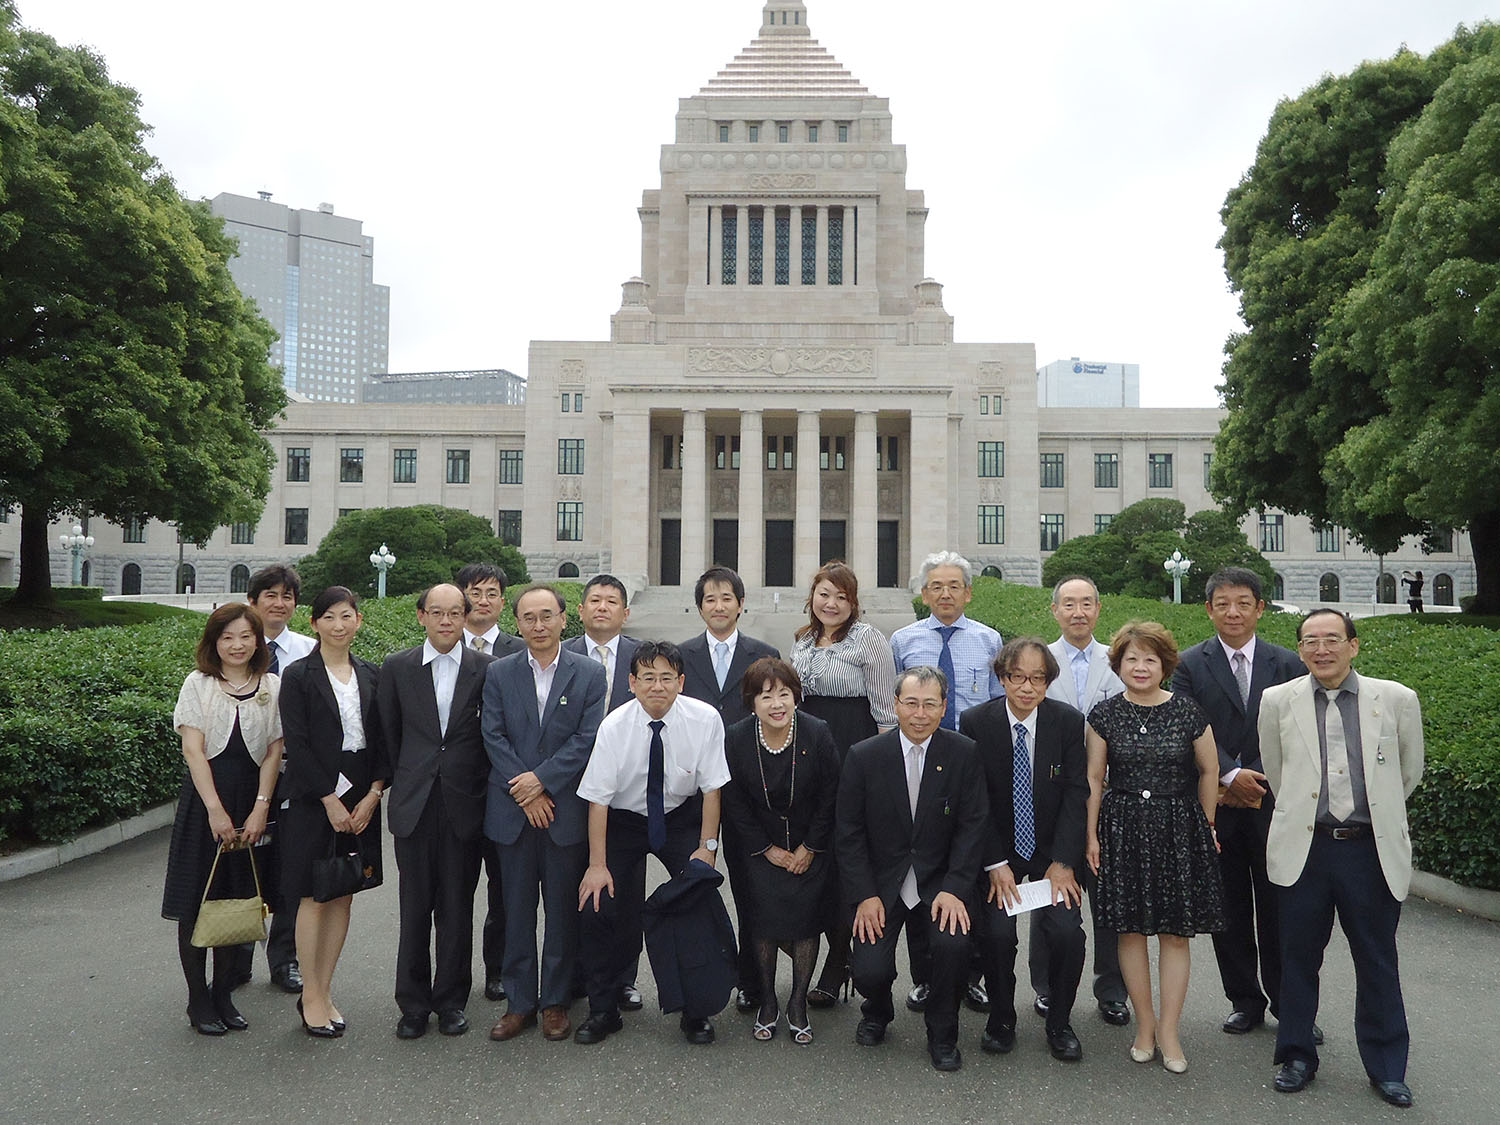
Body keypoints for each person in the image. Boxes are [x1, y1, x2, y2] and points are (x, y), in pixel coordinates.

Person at [1261, 610, 1424, 1108]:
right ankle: (1296, 1055)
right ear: (1300, 649)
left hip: (1368, 851)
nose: (1321, 649)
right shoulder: (1277, 700)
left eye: (1332, 639)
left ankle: (1386, 1066)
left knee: (1376, 959)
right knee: (1297, 958)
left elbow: (1407, 773)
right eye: (1310, 641)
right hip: (1305, 849)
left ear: (1353, 646)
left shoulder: (1395, 699)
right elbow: (1276, 770)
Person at [1086, 621, 1226, 1074]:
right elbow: (1093, 779)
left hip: (1177, 827)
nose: (1140, 667)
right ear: (1119, 665)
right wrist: (1091, 836)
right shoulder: (1104, 714)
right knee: (1129, 931)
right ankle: (1144, 1026)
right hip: (1122, 828)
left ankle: (1170, 1030)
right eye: (1131, 659)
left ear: (1164, 665)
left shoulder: (1188, 712)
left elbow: (1209, 770)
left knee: (1173, 933)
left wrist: (1205, 822)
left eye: (1150, 659)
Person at [574, 641, 730, 1046]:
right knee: (598, 904)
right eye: (647, 678)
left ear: (680, 682)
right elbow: (598, 801)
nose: (656, 687)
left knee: (697, 897)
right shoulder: (615, 726)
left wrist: (707, 849)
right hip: (623, 821)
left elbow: (713, 789)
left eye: (666, 678)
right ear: (631, 683)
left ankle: (695, 1011)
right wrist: (596, 865)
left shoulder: (705, 719)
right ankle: (602, 1009)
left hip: (679, 818)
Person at [1172, 567, 1304, 1038]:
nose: (1233, 612)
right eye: (1223, 603)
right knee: (1227, 910)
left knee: (1280, 910)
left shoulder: (1289, 663)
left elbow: (1301, 730)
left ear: (1260, 608)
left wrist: (1260, 779)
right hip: (1218, 806)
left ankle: (1292, 1005)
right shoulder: (1188, 664)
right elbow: (1189, 723)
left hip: (1275, 805)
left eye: (1243, 602)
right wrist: (1229, 773)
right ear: (1208, 609)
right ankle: (1245, 1000)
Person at [837, 666, 988, 1072]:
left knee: (953, 947)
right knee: (869, 969)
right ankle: (877, 1009)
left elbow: (973, 827)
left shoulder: (963, 753)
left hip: (940, 883)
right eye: (911, 703)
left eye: (930, 704)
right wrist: (865, 895)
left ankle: (942, 1033)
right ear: (896, 705)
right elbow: (848, 833)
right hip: (881, 885)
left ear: (943, 708)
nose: (919, 714)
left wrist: (956, 888)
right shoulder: (864, 756)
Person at [481, 585, 607, 1043]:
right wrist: (526, 789)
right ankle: (519, 1003)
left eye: (546, 616)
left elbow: (587, 737)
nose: (538, 625)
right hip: (514, 812)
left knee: (560, 912)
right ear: (517, 623)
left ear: (562, 619)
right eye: (529, 617)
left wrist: (544, 782)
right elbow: (492, 735)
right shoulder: (498, 672)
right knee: (514, 911)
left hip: (564, 810)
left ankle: (555, 1001)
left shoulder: (590, 674)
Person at [377, 584, 496, 1040]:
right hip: (414, 804)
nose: (446, 621)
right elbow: (389, 733)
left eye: (455, 613)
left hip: (464, 805)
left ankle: (450, 1001)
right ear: (422, 616)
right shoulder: (398, 667)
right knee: (414, 908)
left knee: (456, 908)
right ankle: (412, 1003)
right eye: (437, 612)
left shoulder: (487, 669)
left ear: (466, 617)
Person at [963, 638, 1089, 1062]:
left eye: (1038, 678)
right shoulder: (976, 722)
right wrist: (995, 863)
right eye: (1017, 677)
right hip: (1002, 853)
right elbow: (975, 800)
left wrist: (1064, 862)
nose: (1027, 687)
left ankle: (1060, 1021)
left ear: (1048, 681)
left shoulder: (1067, 722)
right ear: (1002, 678)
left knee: (1067, 932)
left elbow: (1077, 794)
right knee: (998, 935)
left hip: (1052, 852)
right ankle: (1001, 1019)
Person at [162, 603, 285, 1036]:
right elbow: (193, 750)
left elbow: (273, 750)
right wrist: (215, 809)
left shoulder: (270, 685)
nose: (237, 645)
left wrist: (260, 806)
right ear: (214, 642)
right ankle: (198, 999)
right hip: (205, 806)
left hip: (251, 802)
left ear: (257, 641)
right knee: (197, 903)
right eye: (227, 637)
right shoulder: (199, 684)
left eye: (245, 637)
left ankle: (224, 993)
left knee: (240, 899)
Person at [890, 551, 1001, 1015]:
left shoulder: (990, 640)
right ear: (923, 593)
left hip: (970, 767)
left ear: (969, 592)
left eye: (954, 586)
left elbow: (998, 706)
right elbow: (893, 704)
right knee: (920, 868)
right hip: (918, 764)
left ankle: (970, 975)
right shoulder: (902, 640)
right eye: (936, 586)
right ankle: (924, 976)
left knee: (969, 870)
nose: (945, 594)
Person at [277, 586, 388, 1037]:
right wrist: (328, 799)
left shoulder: (372, 673)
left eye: (346, 616)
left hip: (363, 793)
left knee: (342, 892)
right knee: (312, 895)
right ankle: (310, 996)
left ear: (359, 621)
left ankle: (324, 989)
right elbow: (296, 744)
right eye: (329, 617)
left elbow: (385, 739)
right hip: (313, 798)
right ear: (314, 623)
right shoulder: (299, 675)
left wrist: (374, 793)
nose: (338, 625)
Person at [789, 560, 898, 1007]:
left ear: (853, 603)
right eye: (824, 594)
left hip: (853, 751)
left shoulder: (869, 640)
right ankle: (822, 956)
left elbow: (885, 713)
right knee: (815, 859)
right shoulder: (801, 640)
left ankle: (839, 962)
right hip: (808, 752)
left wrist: (880, 774)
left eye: (841, 597)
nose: (831, 604)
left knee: (844, 860)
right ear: (812, 597)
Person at [720, 658, 841, 1044]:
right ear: (752, 701)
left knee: (806, 922)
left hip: (811, 844)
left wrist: (809, 847)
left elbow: (831, 795)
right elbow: (733, 800)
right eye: (766, 695)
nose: (777, 703)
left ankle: (798, 1002)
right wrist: (766, 848)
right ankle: (769, 1000)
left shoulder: (817, 733)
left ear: (796, 697)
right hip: (759, 848)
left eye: (784, 694)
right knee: (763, 923)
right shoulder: (737, 737)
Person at [679, 566, 779, 1013]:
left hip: (747, 789)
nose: (718, 606)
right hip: (691, 793)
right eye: (710, 599)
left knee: (750, 890)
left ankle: (752, 981)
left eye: (726, 598)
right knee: (694, 891)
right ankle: (698, 981)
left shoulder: (764, 654)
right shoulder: (681, 657)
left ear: (741, 604)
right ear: (699, 607)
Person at [1034, 575, 1128, 1027]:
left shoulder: (1119, 661)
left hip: (1113, 794)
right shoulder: (1039, 662)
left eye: (1086, 603)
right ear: (1054, 611)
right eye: (1068, 604)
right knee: (1050, 890)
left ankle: (1111, 988)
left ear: (1098, 608)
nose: (1078, 612)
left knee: (1108, 898)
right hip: (1053, 797)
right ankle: (1046, 987)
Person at [227, 564, 317, 995]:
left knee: (289, 870)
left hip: (296, 776)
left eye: (287, 597)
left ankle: (285, 959)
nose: (279, 603)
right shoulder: (237, 647)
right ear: (253, 601)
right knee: (244, 864)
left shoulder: (309, 650)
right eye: (271, 596)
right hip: (245, 772)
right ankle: (237, 956)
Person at [562, 573, 644, 1010]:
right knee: (571, 881)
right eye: (594, 600)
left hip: (626, 794)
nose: (601, 608)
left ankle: (623, 977)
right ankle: (576, 973)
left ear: (625, 612)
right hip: (570, 787)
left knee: (625, 889)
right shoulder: (562, 653)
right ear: (580, 610)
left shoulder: (641, 656)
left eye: (611, 601)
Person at [457, 562, 524, 1006]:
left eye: (492, 593)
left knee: (506, 895)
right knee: (456, 895)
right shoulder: (437, 645)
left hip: (509, 790)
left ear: (504, 601)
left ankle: (499, 971)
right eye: (475, 592)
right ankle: (452, 981)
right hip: (457, 792)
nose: (483, 600)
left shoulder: (522, 649)